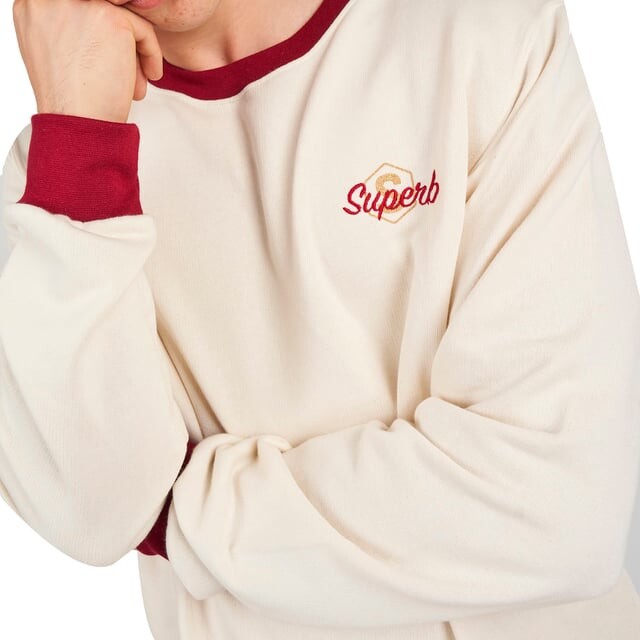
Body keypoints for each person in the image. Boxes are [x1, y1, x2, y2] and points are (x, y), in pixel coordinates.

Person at [1, 0, 640, 638]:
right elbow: (92, 510)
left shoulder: (484, 34)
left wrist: (178, 516)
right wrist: (79, 145)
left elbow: (561, 507)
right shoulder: (59, 174)